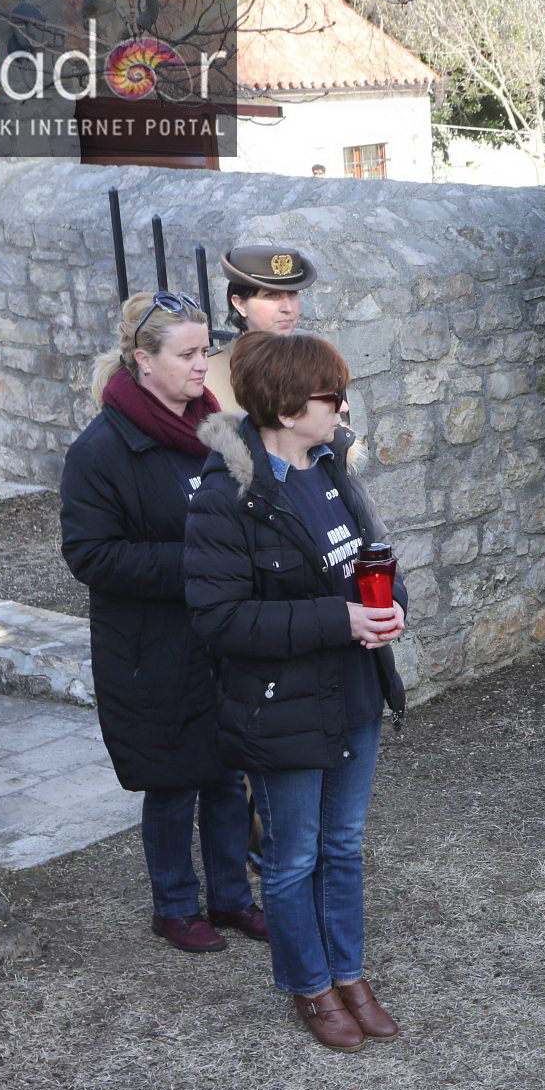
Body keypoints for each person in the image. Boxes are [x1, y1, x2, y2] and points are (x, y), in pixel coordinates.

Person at [185, 331, 407, 1053]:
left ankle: (349, 972)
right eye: (331, 397)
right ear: (286, 405)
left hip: (352, 694)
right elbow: (220, 618)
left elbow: (369, 554)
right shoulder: (231, 496)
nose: (343, 408)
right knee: (293, 856)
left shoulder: (334, 468)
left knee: (343, 846)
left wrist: (390, 601)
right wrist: (338, 617)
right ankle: (310, 986)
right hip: (281, 706)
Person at [61, 292, 266, 954]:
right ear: (144, 361)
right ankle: (176, 904)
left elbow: (252, 508)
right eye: (187, 353)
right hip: (150, 648)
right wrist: (198, 561)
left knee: (227, 774)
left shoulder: (218, 429)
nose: (203, 365)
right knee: (176, 781)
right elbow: (91, 554)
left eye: (205, 349)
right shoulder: (101, 450)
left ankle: (232, 897)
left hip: (220, 638)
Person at [202, 245, 317, 402]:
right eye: (271, 295)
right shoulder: (208, 376)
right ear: (240, 305)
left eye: (293, 293)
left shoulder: (316, 365)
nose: (288, 308)